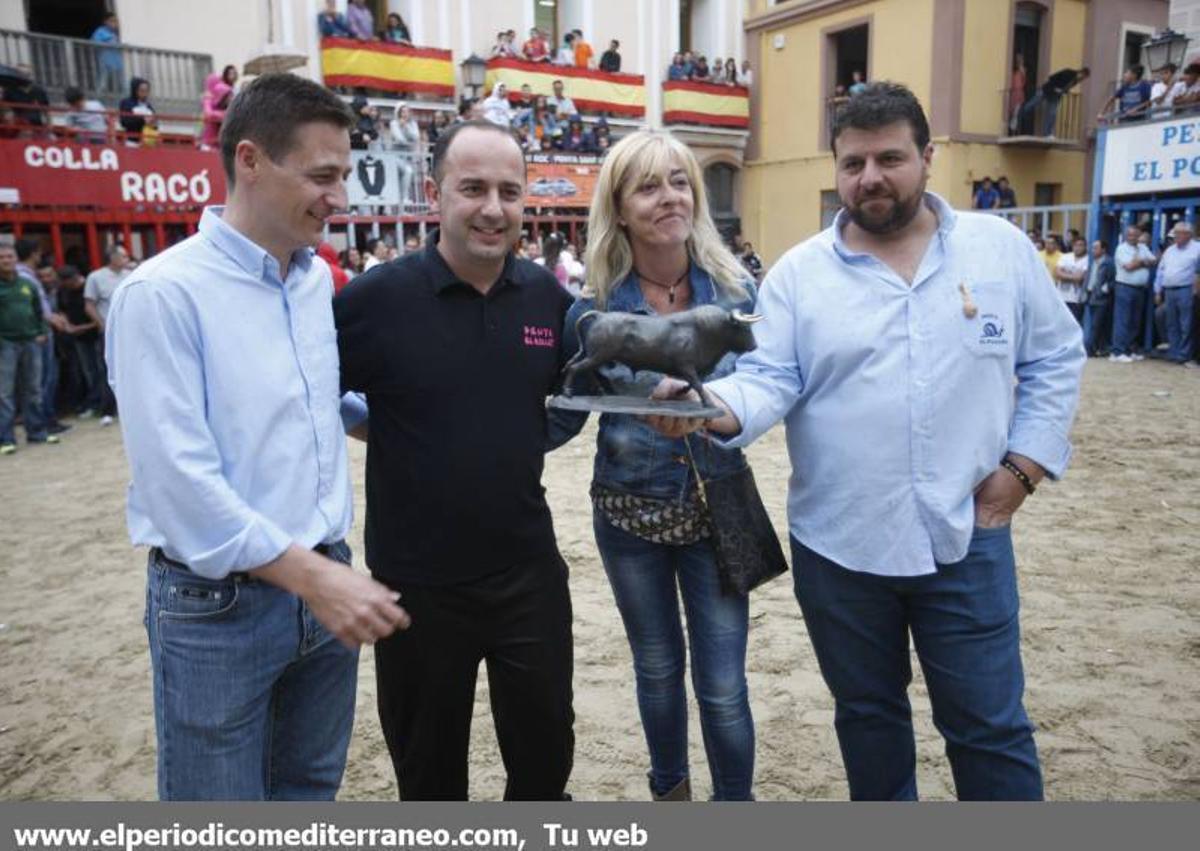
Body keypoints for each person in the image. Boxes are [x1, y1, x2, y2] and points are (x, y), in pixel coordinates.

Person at [651, 82, 1085, 801]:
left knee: (990, 727)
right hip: (840, 547)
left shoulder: (1000, 251)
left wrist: (1023, 466)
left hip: (966, 537)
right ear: (837, 168)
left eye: (890, 157)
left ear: (928, 158)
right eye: (853, 163)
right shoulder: (798, 275)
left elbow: (1056, 357)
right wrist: (710, 406)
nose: (871, 177)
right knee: (869, 719)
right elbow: (768, 377)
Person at [104, 73, 409, 801]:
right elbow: (180, 486)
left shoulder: (313, 283)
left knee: (306, 795)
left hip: (323, 587)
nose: (339, 197)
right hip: (219, 608)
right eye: (322, 176)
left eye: (344, 175)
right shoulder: (161, 294)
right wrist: (317, 577)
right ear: (250, 160)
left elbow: (320, 408)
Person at [333, 120, 575, 801]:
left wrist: (523, 435)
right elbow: (306, 388)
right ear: (434, 193)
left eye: (509, 191)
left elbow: (586, 386)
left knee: (545, 758)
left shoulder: (547, 298)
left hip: (528, 572)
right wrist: (381, 430)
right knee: (430, 776)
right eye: (473, 188)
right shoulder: (377, 300)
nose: (493, 208)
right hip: (415, 587)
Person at [555, 129, 759, 801]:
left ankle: (735, 808)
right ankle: (670, 798)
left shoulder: (735, 291)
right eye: (647, 186)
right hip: (629, 510)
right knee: (657, 668)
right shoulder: (593, 306)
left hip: (719, 504)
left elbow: (767, 388)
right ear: (618, 206)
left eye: (679, 181)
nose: (668, 197)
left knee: (725, 687)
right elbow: (564, 410)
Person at [0, 241, 58, 455]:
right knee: (4, 393)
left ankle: (36, 432)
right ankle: (6, 439)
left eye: (9, 256)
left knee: (33, 388)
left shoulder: (27, 283)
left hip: (31, 342)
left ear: (16, 259)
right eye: (2, 257)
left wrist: (41, 330)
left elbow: (38, 309)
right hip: (5, 344)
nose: (6, 260)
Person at [84, 245, 128, 427]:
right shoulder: (96, 277)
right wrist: (102, 324)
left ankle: (126, 408)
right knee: (107, 370)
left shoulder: (131, 274)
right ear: (112, 257)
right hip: (108, 331)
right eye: (123, 255)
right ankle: (107, 410)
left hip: (129, 330)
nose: (126, 259)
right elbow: (89, 304)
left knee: (130, 369)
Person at [1153, 221, 1200, 367]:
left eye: (1179, 234)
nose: (1176, 237)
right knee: (1171, 323)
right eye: (1175, 234)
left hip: (1186, 289)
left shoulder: (1197, 248)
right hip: (1169, 290)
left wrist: (1195, 290)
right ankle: (1174, 353)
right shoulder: (1170, 250)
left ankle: (1184, 355)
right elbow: (1161, 271)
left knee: (1187, 324)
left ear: (1188, 235)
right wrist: (1157, 290)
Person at [1110, 226, 1156, 362]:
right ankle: (1117, 352)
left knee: (1135, 321)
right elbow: (1129, 267)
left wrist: (1139, 262)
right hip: (1124, 287)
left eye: (1136, 235)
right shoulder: (1121, 248)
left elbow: (1154, 260)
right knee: (1122, 320)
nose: (1133, 238)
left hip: (1140, 288)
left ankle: (1129, 350)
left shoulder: (1143, 247)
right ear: (1126, 236)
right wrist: (1143, 262)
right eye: (1130, 235)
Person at [1013, 67, 1089, 136]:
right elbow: (1052, 78)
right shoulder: (1069, 72)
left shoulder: (1075, 81)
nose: (1083, 79)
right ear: (1081, 72)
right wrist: (1056, 88)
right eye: (1084, 77)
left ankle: (1047, 133)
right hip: (1046, 90)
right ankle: (1017, 116)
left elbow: (1065, 88)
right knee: (1031, 105)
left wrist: (1063, 92)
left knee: (1052, 114)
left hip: (1055, 96)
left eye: (1084, 78)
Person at [1082, 239, 1115, 357]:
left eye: (1096, 248)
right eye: (1092, 248)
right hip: (1091, 295)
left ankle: (1090, 349)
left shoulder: (1109, 263)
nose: (1093, 250)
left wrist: (1105, 288)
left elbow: (1113, 280)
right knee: (1095, 324)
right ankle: (1099, 348)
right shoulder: (1094, 262)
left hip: (1101, 297)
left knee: (1096, 324)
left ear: (1103, 249)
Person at [1055, 236, 1088, 323]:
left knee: (1074, 322)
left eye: (1081, 245)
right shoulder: (1065, 257)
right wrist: (1073, 275)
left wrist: (1065, 274)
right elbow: (1058, 274)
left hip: (1076, 298)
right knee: (1060, 321)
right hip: (1062, 296)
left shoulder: (1087, 259)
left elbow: (1079, 278)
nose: (1078, 248)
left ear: (1085, 247)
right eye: (1076, 245)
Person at [90, 13, 124, 95]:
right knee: (103, 83)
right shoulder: (100, 31)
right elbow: (93, 42)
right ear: (105, 22)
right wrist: (107, 42)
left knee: (120, 84)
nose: (114, 23)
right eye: (112, 21)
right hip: (105, 62)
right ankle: (99, 98)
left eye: (115, 21)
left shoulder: (115, 34)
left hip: (117, 63)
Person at [200, 72, 233, 151]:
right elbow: (209, 115)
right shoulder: (208, 99)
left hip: (220, 143)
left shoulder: (224, 106)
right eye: (228, 96)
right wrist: (224, 114)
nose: (231, 98)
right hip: (209, 143)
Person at [118, 77, 156, 143]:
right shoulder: (127, 103)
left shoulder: (148, 105)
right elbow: (124, 122)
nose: (145, 93)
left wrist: (152, 121)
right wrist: (142, 120)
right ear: (135, 90)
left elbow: (154, 121)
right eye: (142, 90)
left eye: (147, 91)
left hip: (147, 141)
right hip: (132, 141)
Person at [1008, 54, 1026, 130]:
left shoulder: (1022, 70)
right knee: (1011, 112)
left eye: (1020, 59)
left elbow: (1024, 80)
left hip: (1018, 93)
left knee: (1016, 113)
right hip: (1013, 93)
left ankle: (1013, 129)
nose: (1018, 61)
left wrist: (1022, 70)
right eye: (1017, 59)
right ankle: (1011, 128)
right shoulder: (1012, 70)